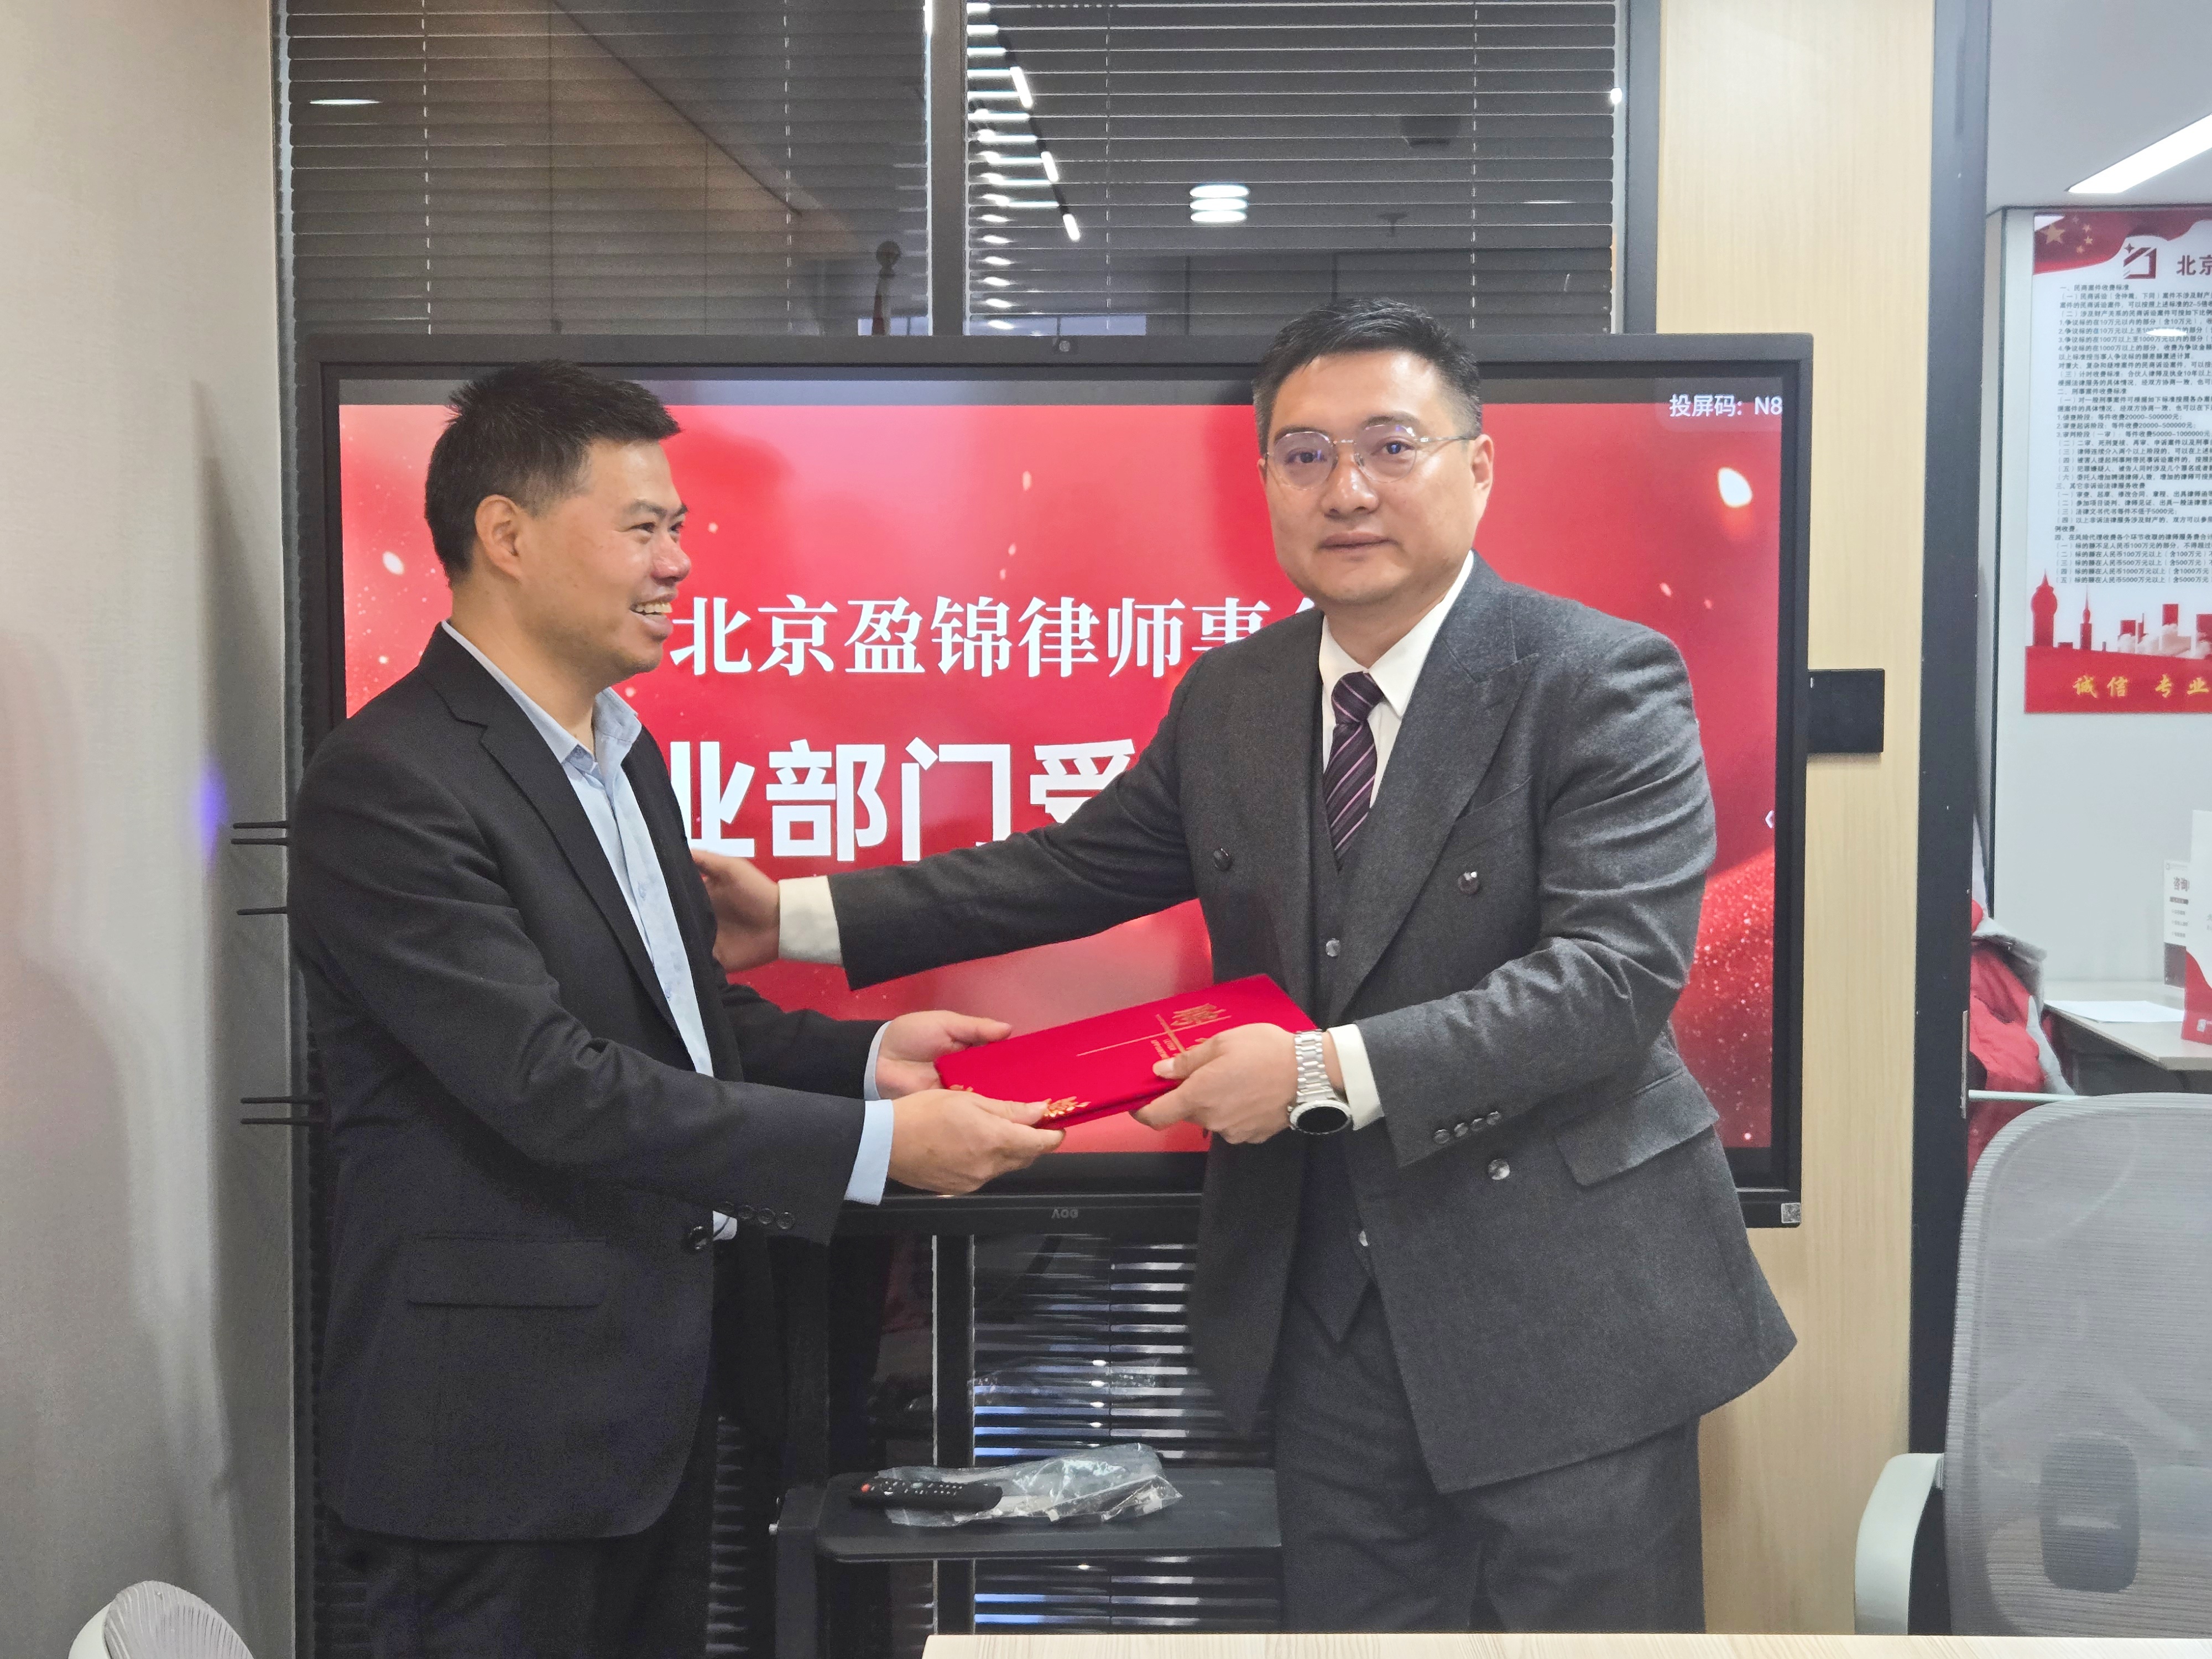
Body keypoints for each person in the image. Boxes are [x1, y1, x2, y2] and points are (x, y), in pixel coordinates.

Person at [699, 298, 1796, 1632]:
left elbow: (1608, 983)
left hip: (1563, 1309)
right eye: (1304, 454)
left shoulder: (1595, 677)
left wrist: (1318, 1074)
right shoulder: (1235, 696)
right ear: (1266, 480)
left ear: (1476, 466)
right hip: (1324, 1309)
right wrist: (793, 917)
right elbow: (1069, 869)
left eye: (1389, 446)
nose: (1347, 490)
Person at [288, 362, 1061, 1659]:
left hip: (649, 1405)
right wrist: (874, 1149)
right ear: (507, 535)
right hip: (492, 1447)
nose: (677, 564)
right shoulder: (391, 783)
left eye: (679, 528)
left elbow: (680, 1025)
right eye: (643, 527)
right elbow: (551, 1081)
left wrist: (866, 1059)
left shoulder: (621, 753)